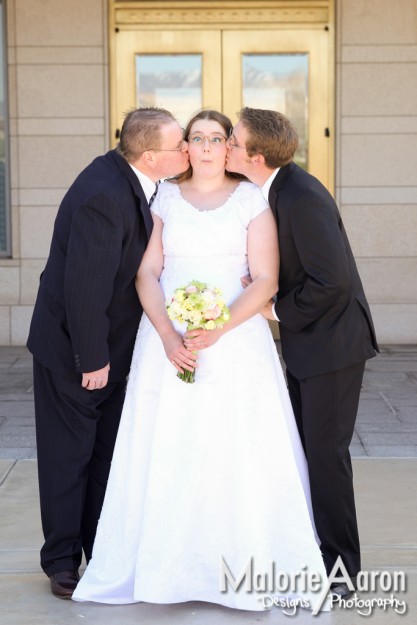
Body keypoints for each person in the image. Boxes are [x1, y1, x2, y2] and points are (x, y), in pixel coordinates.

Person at [73, 110, 331, 613]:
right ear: (185, 146)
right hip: (166, 341)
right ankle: (164, 569)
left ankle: (242, 569)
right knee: (168, 444)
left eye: (219, 138)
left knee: (235, 447)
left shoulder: (252, 200)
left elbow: (265, 281)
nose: (209, 147)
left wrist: (217, 329)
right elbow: (147, 272)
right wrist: (170, 335)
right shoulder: (164, 196)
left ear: (229, 145)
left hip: (235, 344)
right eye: (199, 138)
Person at [27, 107, 189, 599]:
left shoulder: (139, 180)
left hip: (115, 347)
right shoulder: (104, 194)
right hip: (76, 350)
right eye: (179, 145)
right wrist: (93, 359)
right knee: (68, 457)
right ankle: (60, 562)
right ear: (148, 155)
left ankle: (101, 551)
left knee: (105, 456)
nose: (186, 152)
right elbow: (84, 288)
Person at [225, 107, 379, 598]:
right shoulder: (276, 189)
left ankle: (342, 571)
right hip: (312, 346)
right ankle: (315, 551)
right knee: (308, 453)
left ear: (256, 155)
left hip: (332, 347)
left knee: (326, 457)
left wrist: (275, 310)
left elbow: (331, 282)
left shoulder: (303, 196)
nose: (226, 145)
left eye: (233, 140)